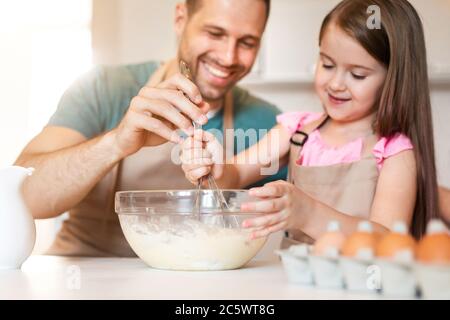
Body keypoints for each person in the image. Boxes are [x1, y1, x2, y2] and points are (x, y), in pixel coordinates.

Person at [14, 0, 286, 256]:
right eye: (215, 33)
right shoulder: (102, 88)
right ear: (181, 19)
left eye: (247, 42)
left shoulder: (268, 125)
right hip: (84, 281)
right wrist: (116, 142)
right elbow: (24, 197)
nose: (228, 57)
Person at [181, 0, 439, 245]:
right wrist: (216, 166)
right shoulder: (295, 132)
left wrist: (309, 213)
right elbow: (234, 175)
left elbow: (388, 240)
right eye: (327, 65)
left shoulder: (395, 152)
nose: (336, 83)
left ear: (393, 78)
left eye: (357, 75)